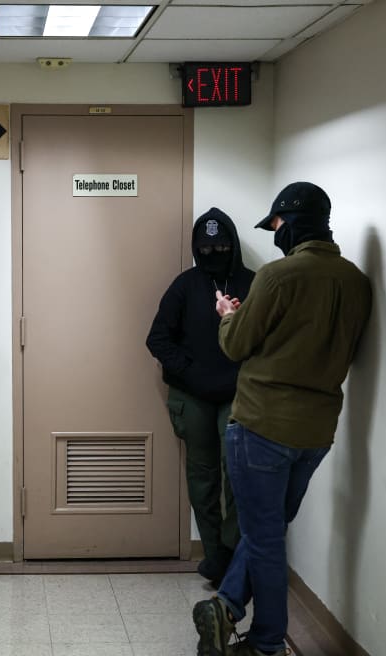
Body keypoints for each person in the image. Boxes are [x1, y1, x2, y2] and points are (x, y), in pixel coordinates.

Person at [192, 182, 372, 656]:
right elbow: (347, 353)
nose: (273, 233)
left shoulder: (277, 277)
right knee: (268, 532)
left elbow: (234, 346)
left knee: (265, 539)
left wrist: (227, 315)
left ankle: (267, 643)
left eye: (275, 224)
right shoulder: (356, 281)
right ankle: (226, 607)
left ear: (290, 223)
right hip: (317, 432)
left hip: (261, 427)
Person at [146, 208, 255, 585]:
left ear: (234, 245)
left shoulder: (253, 283)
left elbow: (266, 339)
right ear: (196, 248)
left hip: (239, 396)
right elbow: (156, 339)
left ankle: (232, 553)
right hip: (192, 396)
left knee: (238, 477)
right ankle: (214, 556)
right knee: (202, 478)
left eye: (222, 246)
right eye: (206, 247)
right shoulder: (185, 285)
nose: (214, 252)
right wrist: (189, 371)